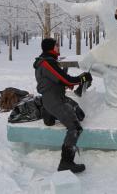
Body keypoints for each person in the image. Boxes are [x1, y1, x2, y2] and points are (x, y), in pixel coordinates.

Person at [33, 38, 92, 173]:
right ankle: (66, 162)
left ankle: (49, 114)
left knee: (79, 114)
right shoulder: (47, 63)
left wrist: (70, 83)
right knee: (75, 128)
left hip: (55, 98)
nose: (59, 47)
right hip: (55, 101)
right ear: (51, 48)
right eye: (57, 45)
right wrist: (82, 78)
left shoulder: (47, 61)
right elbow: (65, 79)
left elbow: (57, 80)